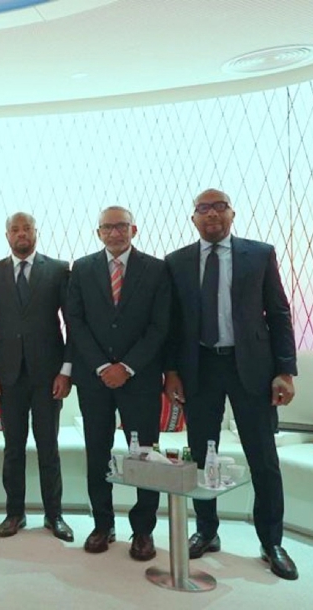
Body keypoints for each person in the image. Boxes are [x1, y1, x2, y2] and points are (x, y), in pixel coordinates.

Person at [164, 188, 299, 580]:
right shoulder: (177, 262)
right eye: (203, 208)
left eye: (219, 207)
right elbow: (173, 323)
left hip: (251, 368)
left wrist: (285, 371)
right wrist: (171, 371)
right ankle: (207, 531)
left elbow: (278, 312)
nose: (212, 214)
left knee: (263, 457)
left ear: (232, 214)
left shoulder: (259, 254)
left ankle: (271, 541)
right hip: (199, 367)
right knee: (201, 455)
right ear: (193, 218)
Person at [66, 206, 170, 561]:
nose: (114, 233)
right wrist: (101, 366)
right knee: (97, 452)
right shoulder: (82, 268)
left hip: (139, 378)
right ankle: (102, 524)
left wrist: (126, 367)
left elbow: (160, 325)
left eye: (121, 226)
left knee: (144, 455)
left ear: (133, 229)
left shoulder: (156, 269)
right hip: (94, 379)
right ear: (98, 233)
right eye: (107, 227)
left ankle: (143, 530)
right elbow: (75, 321)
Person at [0, 212, 74, 541]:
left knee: (49, 448)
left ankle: (54, 515)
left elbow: (72, 323)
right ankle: (14, 513)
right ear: (7, 235)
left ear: (36, 232)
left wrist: (66, 370)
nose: (21, 234)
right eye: (15, 229)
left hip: (49, 376)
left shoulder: (58, 270)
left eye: (27, 229)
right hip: (7, 376)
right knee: (13, 448)